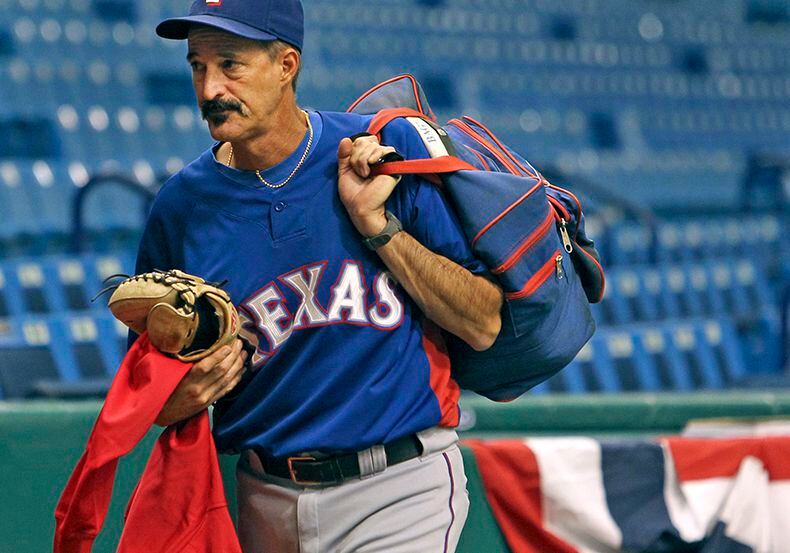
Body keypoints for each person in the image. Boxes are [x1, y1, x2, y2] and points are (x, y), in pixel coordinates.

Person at [138, 0, 503, 550]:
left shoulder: (379, 151)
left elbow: (484, 322)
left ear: (287, 65)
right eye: (197, 66)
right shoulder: (181, 207)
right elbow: (146, 390)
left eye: (230, 64)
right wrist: (183, 395)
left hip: (398, 488)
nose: (209, 88)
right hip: (263, 497)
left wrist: (378, 228)